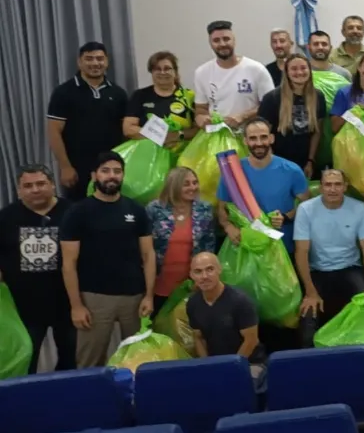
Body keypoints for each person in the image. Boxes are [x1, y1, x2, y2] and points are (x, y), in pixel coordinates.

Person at [60, 152, 155, 367]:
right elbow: (68, 264)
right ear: (94, 176)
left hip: (134, 298)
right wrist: (76, 306)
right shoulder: (78, 212)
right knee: (89, 362)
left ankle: (135, 400)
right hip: (94, 299)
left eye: (117, 171)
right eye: (105, 171)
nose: (111, 176)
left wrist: (149, 295)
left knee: (139, 359)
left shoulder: (136, 210)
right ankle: (90, 400)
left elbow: (148, 256)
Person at [0, 164, 74, 372]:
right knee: (26, 359)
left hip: (68, 303)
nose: (35, 189)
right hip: (24, 305)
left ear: (52, 185)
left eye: (41, 183)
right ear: (19, 190)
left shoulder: (72, 212)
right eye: (28, 185)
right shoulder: (6, 217)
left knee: (71, 357)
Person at [294, 169, 364, 325]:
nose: (333, 189)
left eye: (338, 184)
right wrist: (310, 291)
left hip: (350, 267)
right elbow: (301, 252)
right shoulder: (305, 209)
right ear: (321, 187)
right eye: (328, 185)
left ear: (345, 187)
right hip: (317, 270)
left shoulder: (359, 208)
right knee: (308, 320)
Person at [47, 41, 128, 201]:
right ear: (79, 62)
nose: (95, 63)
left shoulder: (118, 93)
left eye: (99, 59)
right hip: (77, 168)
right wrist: (65, 166)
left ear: (107, 62)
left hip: (111, 170)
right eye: (89, 59)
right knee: (79, 212)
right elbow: (54, 131)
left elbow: (125, 132)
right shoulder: (63, 92)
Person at [215, 118, 310, 251]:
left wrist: (286, 217)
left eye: (263, 137)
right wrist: (228, 227)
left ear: (271, 138)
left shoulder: (292, 170)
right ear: (245, 141)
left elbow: (306, 206)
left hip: (282, 247)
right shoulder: (232, 173)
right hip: (246, 246)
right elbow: (221, 209)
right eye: (253, 138)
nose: (259, 143)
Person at [185, 252, 267, 380]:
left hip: (249, 363)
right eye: (198, 272)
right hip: (217, 364)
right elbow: (199, 338)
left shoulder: (240, 301)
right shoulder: (193, 303)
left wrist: (232, 369)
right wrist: (207, 366)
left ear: (219, 270)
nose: (204, 276)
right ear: (191, 275)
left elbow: (251, 341)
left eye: (210, 269)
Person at [146, 167, 216, 313]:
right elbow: (144, 248)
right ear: (174, 185)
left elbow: (208, 247)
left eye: (195, 183)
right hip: (157, 284)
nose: (193, 187)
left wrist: (203, 279)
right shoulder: (154, 209)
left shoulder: (205, 209)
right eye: (187, 184)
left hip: (191, 285)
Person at [194, 21, 275, 130]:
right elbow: (201, 108)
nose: (222, 44)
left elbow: (270, 106)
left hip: (251, 139)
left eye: (226, 39)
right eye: (216, 40)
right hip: (217, 138)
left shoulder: (256, 69)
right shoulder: (201, 72)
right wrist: (201, 118)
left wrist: (244, 116)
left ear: (234, 41)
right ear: (210, 44)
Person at [258, 53, 327, 177]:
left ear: (309, 70)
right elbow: (263, 135)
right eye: (294, 69)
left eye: (303, 68)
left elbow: (317, 132)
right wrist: (272, 163)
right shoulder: (272, 98)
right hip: (278, 162)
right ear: (287, 72)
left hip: (305, 162)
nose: (299, 72)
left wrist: (311, 161)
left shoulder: (318, 97)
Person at [123, 51, 196, 155]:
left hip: (183, 156)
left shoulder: (189, 96)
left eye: (167, 68)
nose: (162, 72)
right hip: (149, 156)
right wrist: (160, 136)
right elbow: (128, 128)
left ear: (175, 72)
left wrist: (178, 135)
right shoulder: (140, 96)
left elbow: (198, 129)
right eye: (157, 69)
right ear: (151, 72)